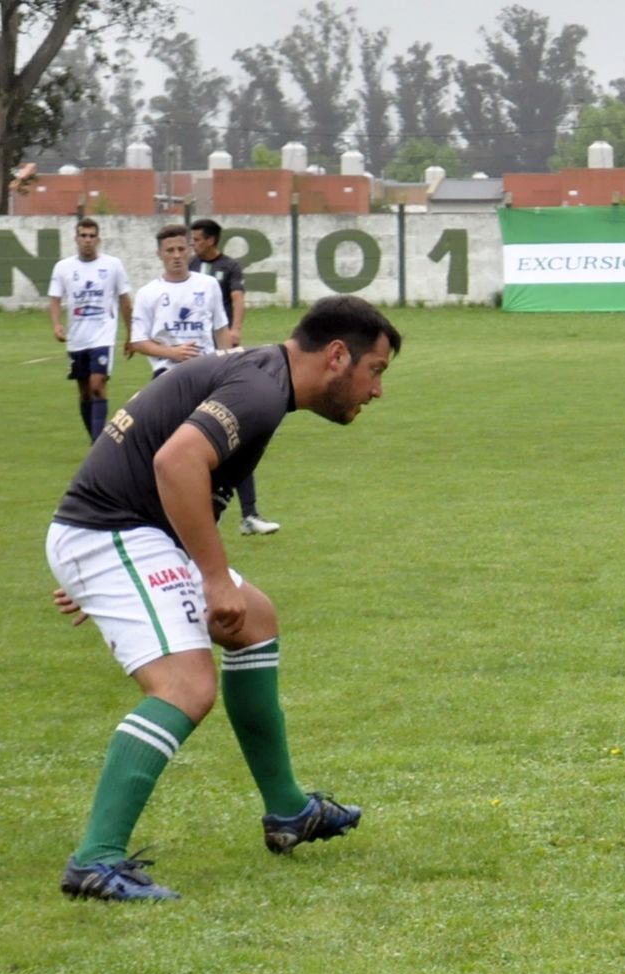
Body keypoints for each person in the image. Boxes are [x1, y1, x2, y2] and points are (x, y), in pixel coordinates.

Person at [46, 294, 402, 901]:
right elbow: (177, 459)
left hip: (125, 531)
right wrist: (208, 578)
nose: (376, 391)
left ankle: (289, 810)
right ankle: (96, 860)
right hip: (117, 531)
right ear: (337, 356)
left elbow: (148, 453)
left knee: (255, 620)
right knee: (187, 686)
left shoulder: (262, 374)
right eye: (376, 371)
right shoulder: (260, 390)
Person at [190, 217, 280, 536]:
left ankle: (248, 514)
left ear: (212, 240)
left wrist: (235, 330)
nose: (193, 245)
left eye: (198, 239)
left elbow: (238, 299)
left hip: (219, 356)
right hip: (188, 367)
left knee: (233, 435)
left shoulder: (228, 267)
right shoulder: (188, 267)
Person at [47, 218, 132, 442]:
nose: (87, 240)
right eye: (83, 236)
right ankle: (94, 439)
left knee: (97, 384)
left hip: (103, 335)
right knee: (84, 391)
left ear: (98, 239)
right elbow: (54, 299)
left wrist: (131, 334)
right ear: (76, 239)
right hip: (77, 338)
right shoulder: (63, 267)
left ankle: (98, 445)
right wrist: (56, 324)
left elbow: (125, 300)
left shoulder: (112, 265)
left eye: (91, 236)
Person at [126, 223, 231, 377]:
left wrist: (226, 366)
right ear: (159, 254)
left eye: (181, 249)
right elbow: (138, 341)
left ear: (189, 250)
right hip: (167, 373)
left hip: (206, 370)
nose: (176, 255)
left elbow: (221, 330)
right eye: (170, 250)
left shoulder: (209, 284)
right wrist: (172, 352)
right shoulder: (147, 293)